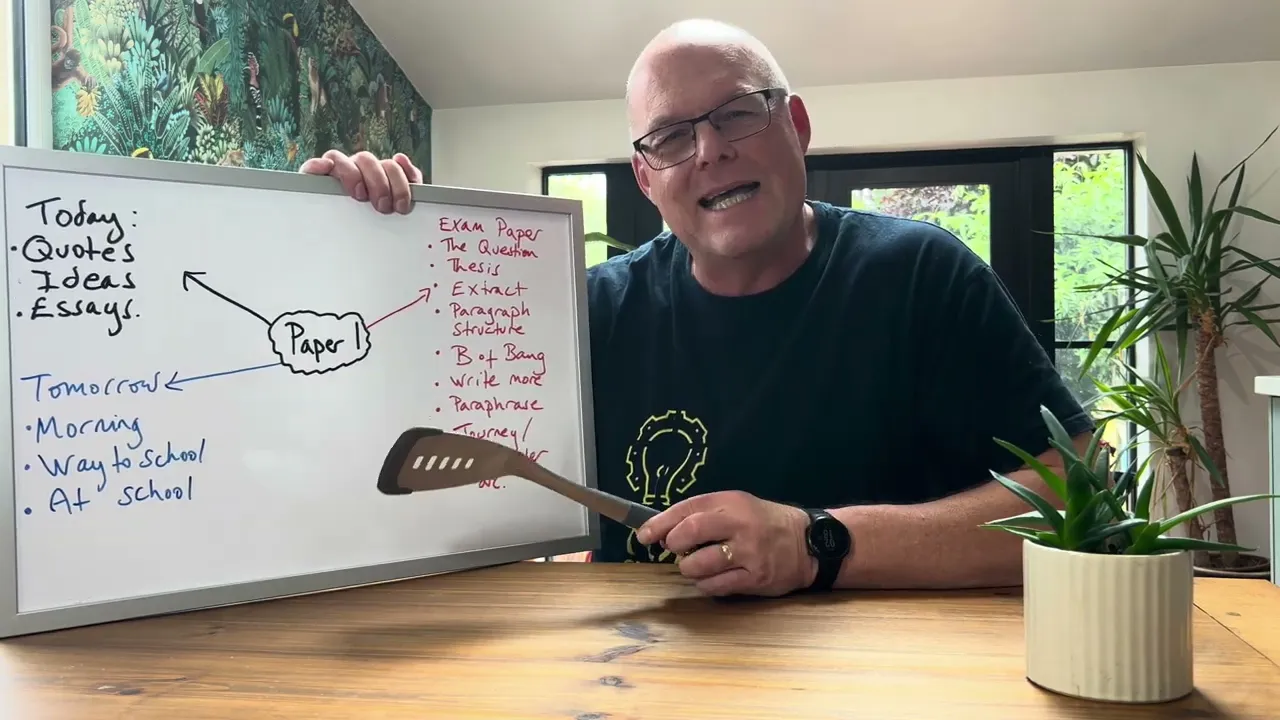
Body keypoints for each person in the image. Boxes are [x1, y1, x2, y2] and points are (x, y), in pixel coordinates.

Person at [300, 19, 1094, 598]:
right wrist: (344, 255)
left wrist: (817, 543)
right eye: (672, 137)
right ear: (647, 180)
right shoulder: (589, 315)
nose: (711, 150)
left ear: (797, 126)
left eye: (738, 113)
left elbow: (1081, 491)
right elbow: (414, 447)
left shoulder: (921, 276)